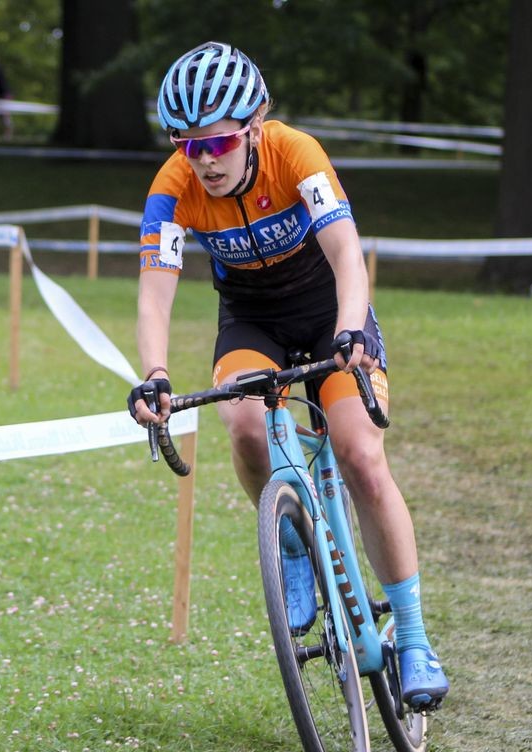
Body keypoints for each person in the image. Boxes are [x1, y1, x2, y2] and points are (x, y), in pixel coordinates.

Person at [127, 42, 449, 711]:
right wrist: (153, 373)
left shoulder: (295, 152)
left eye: (216, 142)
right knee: (244, 425)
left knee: (361, 454)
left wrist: (352, 328)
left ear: (251, 127)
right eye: (188, 146)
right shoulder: (172, 187)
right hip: (252, 320)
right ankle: (296, 542)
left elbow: (345, 252)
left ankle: (414, 637)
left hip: (330, 308)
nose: (205, 160)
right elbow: (155, 291)